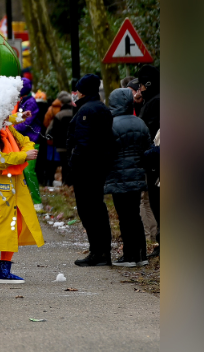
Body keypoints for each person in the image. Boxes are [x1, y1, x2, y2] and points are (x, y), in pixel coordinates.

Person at [0, 121, 44, 283]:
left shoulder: (8, 129)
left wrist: (26, 151)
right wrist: (24, 155)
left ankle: (4, 270)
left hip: (14, 186)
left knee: (15, 226)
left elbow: (27, 141)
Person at [67, 74, 116, 266]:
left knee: (88, 210)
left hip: (87, 168)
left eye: (78, 91)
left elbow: (83, 142)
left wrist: (73, 166)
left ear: (84, 91)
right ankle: (102, 250)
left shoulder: (87, 111)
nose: (76, 94)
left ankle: (98, 252)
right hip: (99, 166)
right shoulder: (101, 108)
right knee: (97, 208)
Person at [105, 87, 152, 266]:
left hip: (118, 175)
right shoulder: (140, 123)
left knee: (124, 216)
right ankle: (142, 255)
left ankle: (129, 255)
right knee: (135, 215)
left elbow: (107, 151)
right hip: (137, 174)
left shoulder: (111, 124)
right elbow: (147, 149)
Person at [133, 65, 160, 231]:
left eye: (141, 86)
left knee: (156, 202)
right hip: (152, 158)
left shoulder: (156, 102)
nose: (140, 90)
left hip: (155, 159)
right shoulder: (152, 101)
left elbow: (147, 129)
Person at [12, 77, 43, 207]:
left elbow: (24, 124)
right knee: (23, 171)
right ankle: (28, 200)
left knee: (29, 171)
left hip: (31, 141)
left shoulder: (30, 103)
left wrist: (9, 130)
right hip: (23, 141)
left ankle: (37, 202)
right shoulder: (23, 101)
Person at [35, 92, 69, 187]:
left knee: (49, 160)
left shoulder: (52, 109)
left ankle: (48, 180)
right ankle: (65, 182)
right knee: (64, 162)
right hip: (65, 140)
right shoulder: (72, 110)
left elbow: (46, 123)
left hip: (50, 139)